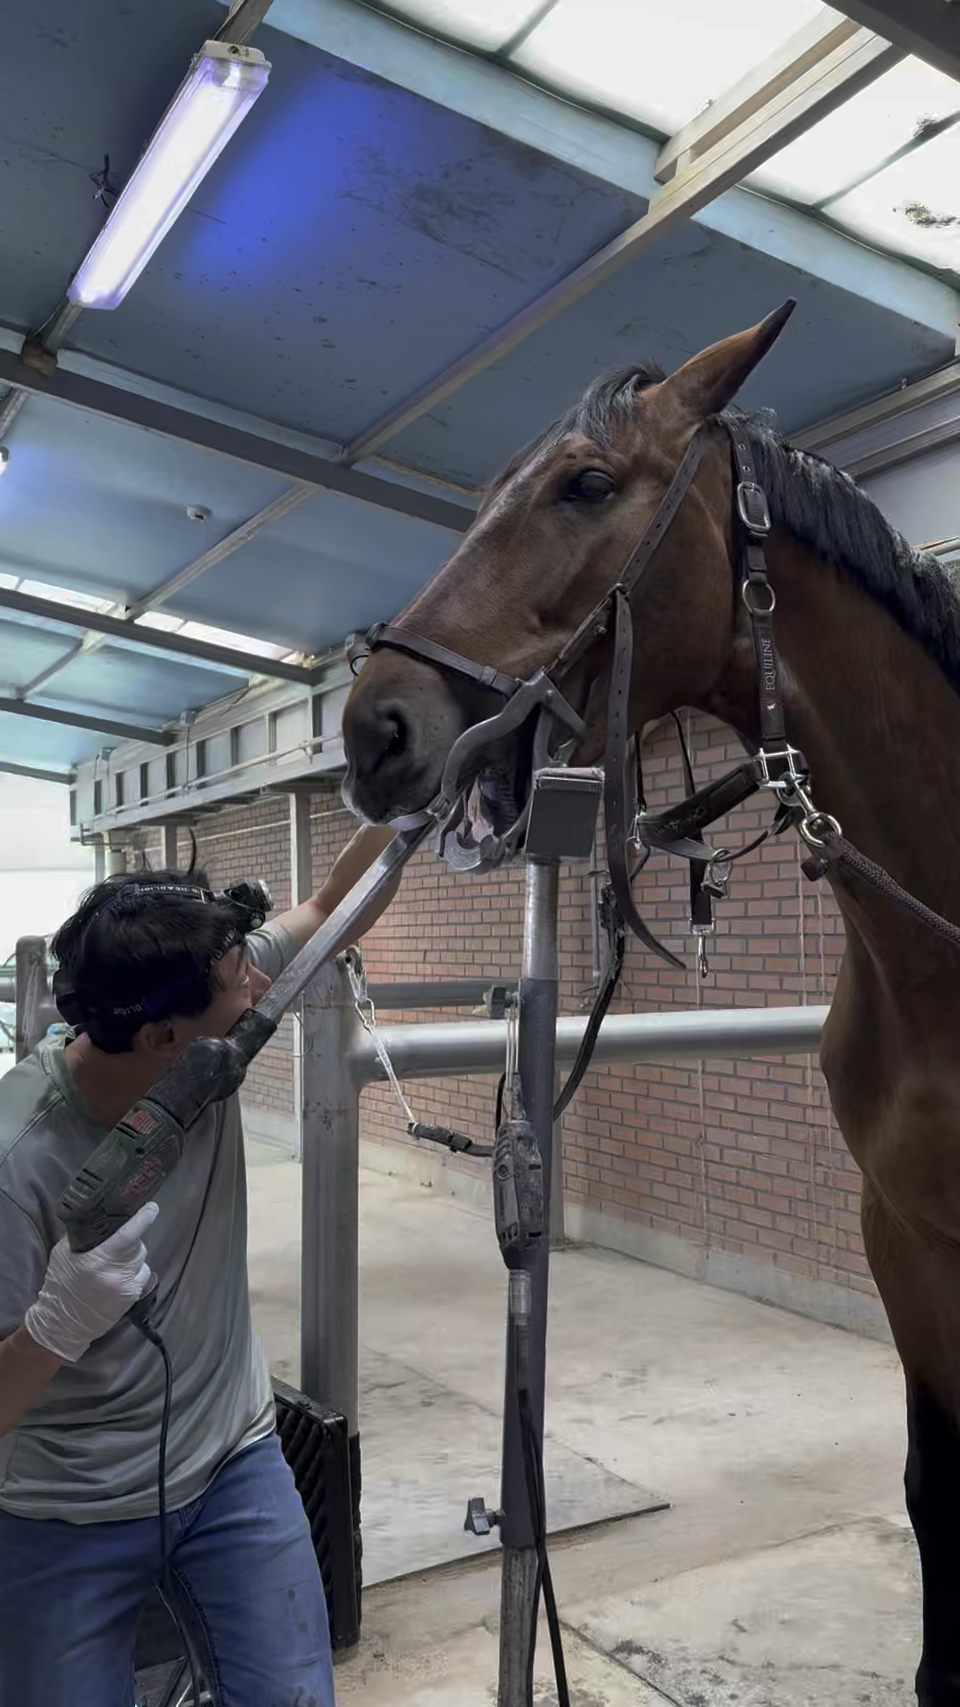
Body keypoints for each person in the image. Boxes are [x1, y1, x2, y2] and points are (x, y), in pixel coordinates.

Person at [0, 822, 397, 1707]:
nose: (262, 984)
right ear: (165, 1039)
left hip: (231, 1463)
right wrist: (52, 1327)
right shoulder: (15, 1160)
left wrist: (409, 807)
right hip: (65, 1503)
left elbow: (333, 905)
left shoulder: (202, 992)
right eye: (241, 984)